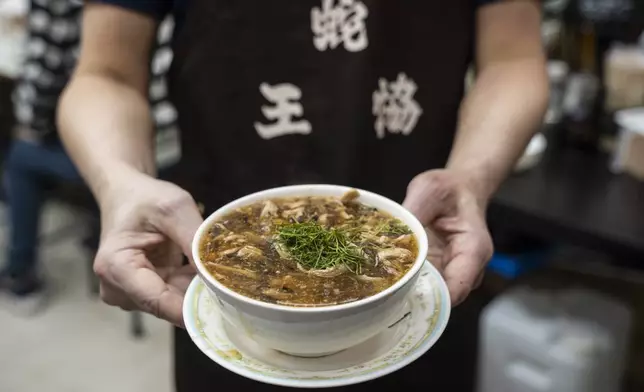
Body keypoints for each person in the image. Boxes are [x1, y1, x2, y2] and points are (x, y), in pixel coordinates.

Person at [58, 0, 548, 390]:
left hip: (424, 266)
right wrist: (120, 182)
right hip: (219, 288)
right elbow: (107, 74)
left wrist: (471, 176)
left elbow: (514, 57)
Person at [0, 0, 178, 306]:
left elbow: (41, 84)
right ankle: (96, 228)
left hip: (146, 153)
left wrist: (31, 126)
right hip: (173, 145)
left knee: (20, 156)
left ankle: (20, 274)